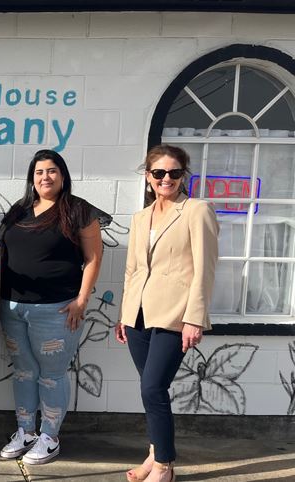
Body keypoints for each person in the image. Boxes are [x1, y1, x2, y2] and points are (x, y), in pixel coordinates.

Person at [116, 144, 219, 482]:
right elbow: (132, 270)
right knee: (151, 390)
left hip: (175, 315)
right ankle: (154, 453)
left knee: (152, 389)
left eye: (174, 173)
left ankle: (164, 466)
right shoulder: (140, 217)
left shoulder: (196, 210)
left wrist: (195, 318)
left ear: (182, 176)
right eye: (159, 173)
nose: (166, 179)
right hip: (138, 317)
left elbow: (205, 268)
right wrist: (124, 314)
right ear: (148, 177)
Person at [0, 149, 107, 465]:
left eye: (52, 171)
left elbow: (94, 258)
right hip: (14, 306)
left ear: (62, 175)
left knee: (52, 374)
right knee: (23, 371)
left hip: (57, 310)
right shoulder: (19, 211)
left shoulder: (77, 210)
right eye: (39, 172)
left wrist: (82, 300)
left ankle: (49, 436)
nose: (45, 177)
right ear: (32, 178)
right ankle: (25, 431)